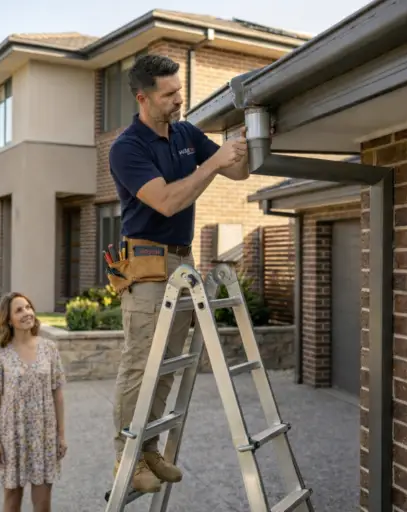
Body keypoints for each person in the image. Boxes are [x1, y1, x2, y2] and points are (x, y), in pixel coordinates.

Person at [107, 54, 249, 493]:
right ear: (143, 98)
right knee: (140, 365)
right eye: (169, 94)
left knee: (166, 366)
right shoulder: (127, 147)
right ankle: (127, 460)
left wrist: (245, 143)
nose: (178, 99)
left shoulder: (186, 133)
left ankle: (149, 450)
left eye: (179, 90)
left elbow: (237, 171)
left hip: (182, 263)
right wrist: (213, 163)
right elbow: (167, 202)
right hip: (147, 265)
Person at [0, 291, 68, 512]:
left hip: (44, 434)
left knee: (43, 504)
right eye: (19, 310)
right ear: (8, 319)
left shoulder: (49, 348)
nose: (27, 313)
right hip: (12, 435)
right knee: (12, 500)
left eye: (28, 307)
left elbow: (58, 396)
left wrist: (61, 435)